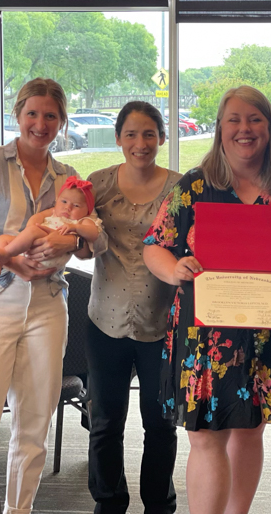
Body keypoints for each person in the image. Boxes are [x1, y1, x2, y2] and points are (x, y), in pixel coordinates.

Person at [0, 78, 99, 514]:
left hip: (48, 307)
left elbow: (90, 240)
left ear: (62, 122)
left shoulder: (69, 180)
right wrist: (7, 260)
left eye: (51, 115)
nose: (40, 123)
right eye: (32, 113)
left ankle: (20, 510)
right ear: (17, 115)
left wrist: (71, 244)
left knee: (34, 428)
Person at [143, 86, 271, 514]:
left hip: (264, 329)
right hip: (203, 332)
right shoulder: (195, 184)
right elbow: (154, 244)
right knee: (206, 435)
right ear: (219, 128)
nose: (244, 129)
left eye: (255, 119)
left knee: (250, 430)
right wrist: (173, 269)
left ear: (270, 127)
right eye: (234, 119)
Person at [85, 101, 181, 514]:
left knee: (160, 423)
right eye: (130, 134)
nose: (140, 143)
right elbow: (80, 238)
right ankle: (109, 502)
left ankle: (158, 503)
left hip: (163, 322)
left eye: (148, 134)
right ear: (119, 138)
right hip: (104, 319)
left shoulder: (180, 187)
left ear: (161, 137)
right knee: (106, 422)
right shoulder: (97, 184)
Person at [0, 175, 101, 276]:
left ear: (87, 210)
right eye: (64, 202)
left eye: (76, 206)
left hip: (54, 255)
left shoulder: (82, 220)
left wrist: (76, 228)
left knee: (34, 231)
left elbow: (94, 234)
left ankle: (6, 254)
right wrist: (30, 229)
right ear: (57, 200)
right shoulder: (54, 211)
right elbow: (37, 217)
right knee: (3, 239)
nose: (68, 207)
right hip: (32, 248)